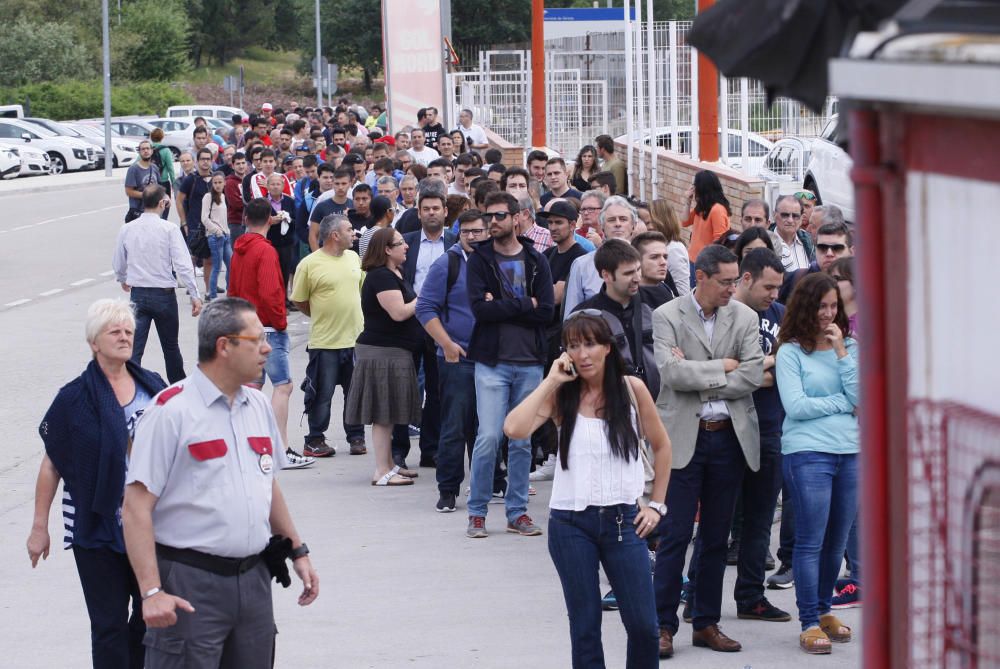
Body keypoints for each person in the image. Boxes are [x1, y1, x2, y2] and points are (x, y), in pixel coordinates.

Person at [121, 298, 319, 669]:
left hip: (253, 581)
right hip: (190, 584)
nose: (267, 348)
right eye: (257, 339)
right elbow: (135, 507)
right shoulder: (170, 412)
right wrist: (150, 592)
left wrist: (298, 551)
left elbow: (268, 486)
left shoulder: (258, 406)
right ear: (224, 346)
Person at [504, 313, 671, 668]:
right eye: (573, 346)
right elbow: (514, 429)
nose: (583, 354)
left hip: (624, 521)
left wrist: (656, 505)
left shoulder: (631, 389)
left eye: (591, 344)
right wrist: (550, 381)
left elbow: (662, 445)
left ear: (608, 348)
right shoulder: (562, 395)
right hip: (570, 524)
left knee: (644, 626)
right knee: (585, 626)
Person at [29, 299, 166, 669]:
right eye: (114, 332)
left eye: (128, 332)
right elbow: (51, 466)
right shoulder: (73, 399)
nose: (124, 338)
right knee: (107, 627)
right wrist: (40, 528)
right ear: (94, 342)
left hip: (151, 527)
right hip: (95, 529)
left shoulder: (154, 388)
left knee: (147, 620)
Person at [651, 244, 764, 658]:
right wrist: (723, 367)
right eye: (725, 281)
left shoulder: (746, 317)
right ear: (700, 277)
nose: (732, 289)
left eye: (735, 281)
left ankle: (706, 622)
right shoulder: (667, 315)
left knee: (715, 538)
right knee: (675, 535)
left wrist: (702, 373)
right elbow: (670, 373)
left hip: (728, 438)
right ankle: (662, 625)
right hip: (684, 437)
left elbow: (752, 374)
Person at [685, 249, 791, 625]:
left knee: (760, 520)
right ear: (745, 279)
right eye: (768, 287)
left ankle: (751, 596)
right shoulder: (723, 318)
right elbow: (720, 373)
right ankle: (694, 595)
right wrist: (751, 371)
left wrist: (754, 369)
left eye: (779, 288)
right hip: (727, 431)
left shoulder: (780, 316)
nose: (775, 296)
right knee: (717, 522)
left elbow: (782, 371)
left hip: (770, 430)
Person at [775, 272, 859, 654]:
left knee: (836, 540)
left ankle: (825, 611)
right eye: (821, 306)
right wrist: (842, 404)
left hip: (850, 452)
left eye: (833, 306)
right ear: (806, 307)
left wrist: (841, 353)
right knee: (810, 540)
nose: (828, 314)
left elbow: (864, 398)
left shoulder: (850, 346)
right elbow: (796, 406)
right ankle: (809, 619)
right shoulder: (791, 351)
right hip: (807, 452)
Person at [465, 191, 555, 538]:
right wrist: (523, 303)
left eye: (500, 216)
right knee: (488, 437)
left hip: (529, 362)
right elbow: (480, 310)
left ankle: (517, 512)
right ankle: (477, 512)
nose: (493, 223)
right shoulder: (480, 260)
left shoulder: (536, 260)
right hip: (491, 362)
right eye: (489, 217)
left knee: (521, 441)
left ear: (517, 218)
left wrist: (503, 303)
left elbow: (546, 311)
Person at [415, 209, 490, 512]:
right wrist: (446, 344)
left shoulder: (496, 262)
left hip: (493, 359)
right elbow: (425, 308)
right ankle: (448, 489)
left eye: (478, 231)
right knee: (455, 426)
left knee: (488, 428)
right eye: (467, 231)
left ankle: (490, 482)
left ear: (488, 232)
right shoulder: (448, 263)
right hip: (457, 359)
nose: (472, 236)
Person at [229, 198, 310, 467]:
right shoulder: (265, 251)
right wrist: (280, 322)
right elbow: (270, 291)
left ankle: (248, 445)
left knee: (251, 387)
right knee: (283, 385)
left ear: (245, 220)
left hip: (243, 325)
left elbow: (232, 289)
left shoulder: (239, 248)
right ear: (270, 219)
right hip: (267, 327)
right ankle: (281, 448)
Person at [345, 227, 424, 486]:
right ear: (387, 250)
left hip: (395, 350)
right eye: (400, 243)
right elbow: (399, 312)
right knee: (382, 413)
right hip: (382, 352)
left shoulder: (393, 273)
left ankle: (390, 465)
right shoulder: (380, 276)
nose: (407, 247)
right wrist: (424, 297)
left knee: (389, 412)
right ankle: (381, 471)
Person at [292, 215, 367, 458]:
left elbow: (360, 291)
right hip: (325, 342)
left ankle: (356, 437)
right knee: (321, 394)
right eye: (349, 229)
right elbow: (300, 300)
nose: (353, 233)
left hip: (355, 340)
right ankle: (315, 439)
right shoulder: (309, 264)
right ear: (335, 235)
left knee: (354, 393)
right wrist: (323, 314)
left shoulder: (354, 258)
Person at [112, 185, 202, 383]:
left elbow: (118, 261)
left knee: (134, 349)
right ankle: (178, 387)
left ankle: (128, 387)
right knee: (170, 347)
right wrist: (194, 294)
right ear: (162, 203)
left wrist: (122, 278)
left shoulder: (127, 229)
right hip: (164, 295)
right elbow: (183, 264)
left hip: (138, 295)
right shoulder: (169, 229)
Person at [396, 187, 457, 469]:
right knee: (405, 388)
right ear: (418, 212)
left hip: (443, 326)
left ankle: (430, 450)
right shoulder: (406, 243)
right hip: (410, 323)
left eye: (436, 208)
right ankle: (398, 451)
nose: (432, 213)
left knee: (437, 389)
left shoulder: (456, 243)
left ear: (445, 212)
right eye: (426, 209)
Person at [563, 196, 638, 317]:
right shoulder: (582, 265)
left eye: (623, 219)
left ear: (633, 226)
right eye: (612, 220)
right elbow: (571, 316)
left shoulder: (645, 262)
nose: (618, 224)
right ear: (602, 226)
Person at [176, 148, 216, 296]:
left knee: (209, 259)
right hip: (194, 225)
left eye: (208, 159)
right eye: (202, 159)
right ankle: (192, 288)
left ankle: (208, 291)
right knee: (191, 258)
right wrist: (184, 222)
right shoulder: (190, 180)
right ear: (197, 161)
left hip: (212, 226)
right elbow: (179, 201)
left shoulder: (216, 178)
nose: (205, 162)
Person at [682, 170, 731, 269]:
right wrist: (688, 201)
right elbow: (685, 221)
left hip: (705, 264)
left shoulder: (717, 209)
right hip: (693, 259)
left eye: (695, 185)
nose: (693, 189)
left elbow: (719, 240)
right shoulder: (702, 207)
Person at [201, 172, 231, 300]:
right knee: (217, 267)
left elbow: (223, 218)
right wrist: (217, 231)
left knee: (231, 264)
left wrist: (226, 231)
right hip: (215, 236)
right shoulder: (208, 197)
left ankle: (231, 291)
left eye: (220, 182)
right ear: (212, 184)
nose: (218, 185)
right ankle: (211, 295)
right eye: (215, 183)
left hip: (225, 235)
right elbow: (204, 218)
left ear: (224, 183)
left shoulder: (223, 196)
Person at [632, 231, 680, 309]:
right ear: (637, 261)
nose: (663, 262)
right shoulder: (629, 297)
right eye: (654, 257)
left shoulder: (665, 287)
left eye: (665, 257)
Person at [772, 195, 816, 272]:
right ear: (774, 215)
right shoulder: (764, 242)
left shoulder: (810, 242)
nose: (790, 220)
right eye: (785, 215)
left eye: (795, 216)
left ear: (801, 218)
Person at [124, 140, 160, 222]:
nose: (146, 151)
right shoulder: (133, 169)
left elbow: (158, 187)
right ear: (139, 152)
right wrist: (148, 195)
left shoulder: (154, 168)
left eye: (147, 148)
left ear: (152, 151)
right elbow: (129, 192)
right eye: (143, 149)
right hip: (138, 212)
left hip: (154, 211)